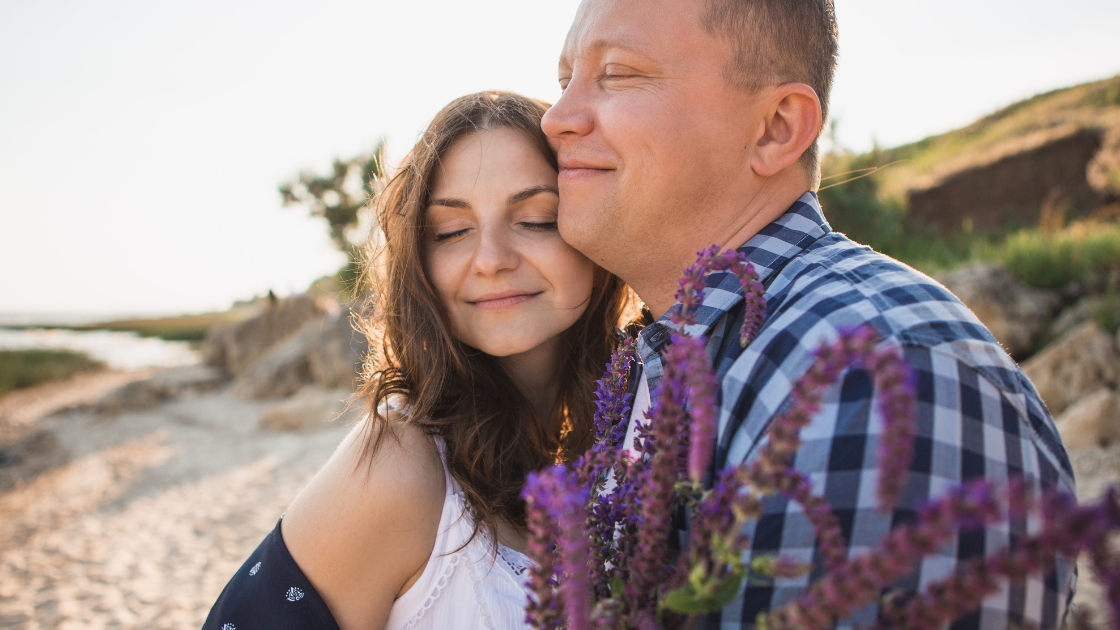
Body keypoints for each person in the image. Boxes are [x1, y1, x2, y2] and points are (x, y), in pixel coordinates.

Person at [541, 1, 1076, 629]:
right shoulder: (660, 359)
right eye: (564, 80)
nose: (556, 119)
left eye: (619, 73)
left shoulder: (882, 378)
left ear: (775, 127)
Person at [203, 91, 630, 630]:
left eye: (538, 219)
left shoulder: (632, 427)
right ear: (418, 262)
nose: (492, 259)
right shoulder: (398, 466)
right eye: (451, 232)